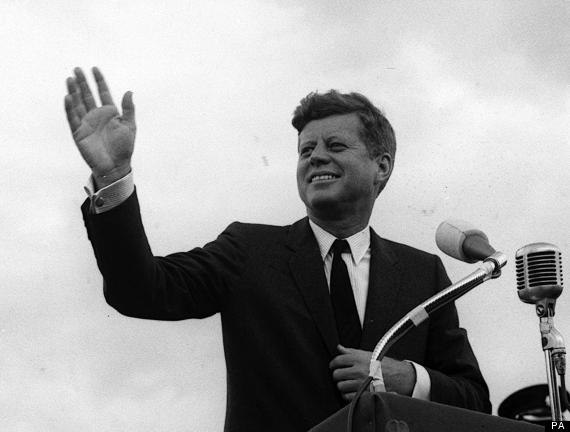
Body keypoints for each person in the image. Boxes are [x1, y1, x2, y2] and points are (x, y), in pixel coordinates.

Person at [64, 67, 491, 431]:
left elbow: (475, 401)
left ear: (382, 166)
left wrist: (408, 379)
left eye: (335, 146)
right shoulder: (248, 251)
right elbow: (140, 290)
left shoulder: (423, 275)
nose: (315, 157)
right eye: (306, 150)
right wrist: (114, 176)